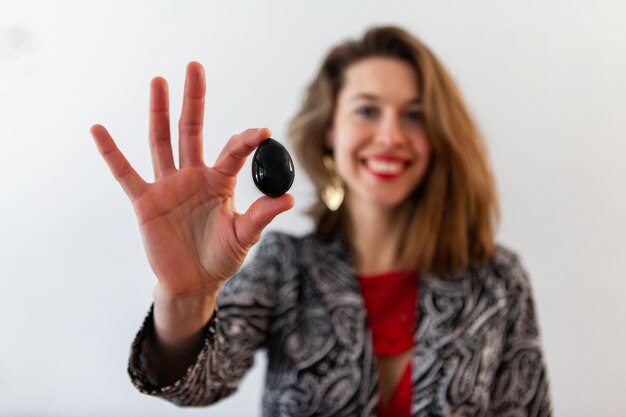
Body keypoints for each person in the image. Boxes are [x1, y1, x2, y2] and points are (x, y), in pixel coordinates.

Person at [91, 26, 552, 417]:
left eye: (415, 115)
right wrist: (187, 296)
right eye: (367, 110)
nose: (391, 135)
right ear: (329, 132)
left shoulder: (497, 281)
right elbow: (198, 382)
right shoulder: (286, 266)